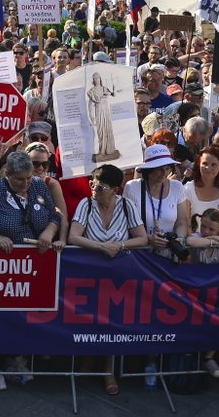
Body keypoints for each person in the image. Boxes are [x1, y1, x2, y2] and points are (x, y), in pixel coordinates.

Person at [0, 151, 62, 391]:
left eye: (29, 178)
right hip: (2, 268)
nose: (26, 184)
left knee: (25, 318)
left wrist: (47, 234)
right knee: (0, 319)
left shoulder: (39, 187)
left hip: (33, 267)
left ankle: (18, 361)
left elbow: (54, 216)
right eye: (20, 179)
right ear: (7, 173)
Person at [67, 163, 147, 396]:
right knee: (88, 320)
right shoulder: (86, 204)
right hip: (88, 274)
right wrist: (101, 247)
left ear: (115, 189)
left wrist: (119, 245)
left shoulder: (126, 205)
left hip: (117, 276)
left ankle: (108, 371)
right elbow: (74, 236)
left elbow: (141, 238)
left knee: (113, 322)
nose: (94, 188)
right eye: (92, 182)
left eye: (100, 186)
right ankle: (87, 360)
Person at [184, 208, 219, 377]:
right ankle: (192, 355)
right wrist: (214, 240)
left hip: (217, 290)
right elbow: (192, 242)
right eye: (204, 227)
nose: (206, 232)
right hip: (196, 288)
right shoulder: (198, 237)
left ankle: (209, 357)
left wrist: (213, 240)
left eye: (211, 229)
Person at [124, 144, 189, 257]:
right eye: (159, 169)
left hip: (169, 256)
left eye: (167, 168)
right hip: (141, 257)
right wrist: (147, 239)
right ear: (148, 170)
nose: (164, 173)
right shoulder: (132, 187)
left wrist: (179, 239)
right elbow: (126, 223)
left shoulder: (177, 187)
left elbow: (182, 222)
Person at [184, 145, 219, 218]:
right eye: (205, 163)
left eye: (213, 165)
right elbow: (185, 222)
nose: (208, 168)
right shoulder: (187, 189)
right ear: (198, 165)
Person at [87, 72, 119, 163]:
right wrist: (91, 116)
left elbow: (114, 95)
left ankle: (108, 150)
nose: (96, 80)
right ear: (93, 80)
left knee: (107, 129)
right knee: (100, 131)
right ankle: (102, 150)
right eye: (95, 78)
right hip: (98, 110)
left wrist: (114, 88)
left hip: (106, 111)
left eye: (98, 78)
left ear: (100, 79)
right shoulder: (91, 91)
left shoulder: (105, 88)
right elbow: (90, 105)